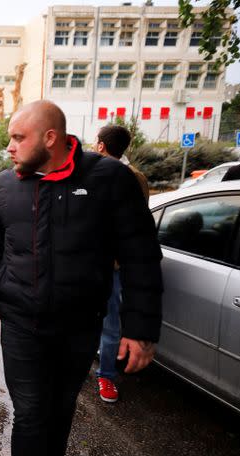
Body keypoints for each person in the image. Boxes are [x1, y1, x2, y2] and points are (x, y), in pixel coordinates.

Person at [0, 100, 162, 456]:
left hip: (79, 326)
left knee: (60, 409)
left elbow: (141, 256)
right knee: (32, 412)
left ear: (50, 139)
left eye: (19, 138)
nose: (10, 147)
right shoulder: (2, 187)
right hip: (21, 325)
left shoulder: (109, 179)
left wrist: (140, 328)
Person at [93, 124, 151, 403]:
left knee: (110, 322)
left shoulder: (132, 178)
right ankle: (97, 372)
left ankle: (105, 376)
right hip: (86, 262)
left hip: (110, 265)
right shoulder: (92, 174)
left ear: (101, 145)